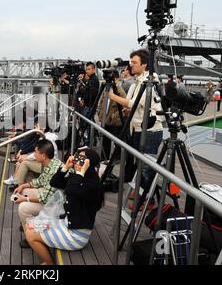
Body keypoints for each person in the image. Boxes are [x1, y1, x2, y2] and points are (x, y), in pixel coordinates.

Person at [25, 148, 104, 265]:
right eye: (77, 157)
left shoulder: (93, 184)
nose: (77, 161)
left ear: (89, 164)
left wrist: (80, 172)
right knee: (29, 225)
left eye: (82, 160)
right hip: (66, 223)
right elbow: (55, 183)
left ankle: (50, 263)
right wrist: (65, 168)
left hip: (77, 234)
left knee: (31, 235)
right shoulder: (78, 178)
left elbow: (72, 190)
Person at [108, 49, 164, 210]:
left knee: (146, 166)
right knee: (140, 164)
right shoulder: (138, 80)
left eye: (134, 62)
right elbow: (134, 104)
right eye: (131, 62)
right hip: (138, 128)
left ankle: (148, 200)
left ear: (145, 65)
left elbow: (132, 103)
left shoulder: (150, 81)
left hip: (150, 130)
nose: (131, 65)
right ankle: (140, 192)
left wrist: (112, 96)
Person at [13, 139, 63, 248]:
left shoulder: (54, 170)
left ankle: (32, 235)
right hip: (50, 197)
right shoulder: (50, 162)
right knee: (24, 191)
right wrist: (24, 185)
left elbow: (45, 198)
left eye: (36, 152)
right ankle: (28, 225)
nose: (33, 154)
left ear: (43, 155)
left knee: (23, 207)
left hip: (56, 206)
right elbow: (40, 181)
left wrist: (25, 199)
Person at [97, 69, 126, 162]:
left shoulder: (120, 91)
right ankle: (103, 158)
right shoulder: (106, 89)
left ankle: (116, 158)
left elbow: (123, 106)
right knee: (105, 141)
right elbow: (101, 102)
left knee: (117, 141)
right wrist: (100, 115)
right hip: (105, 119)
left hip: (115, 121)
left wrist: (114, 117)